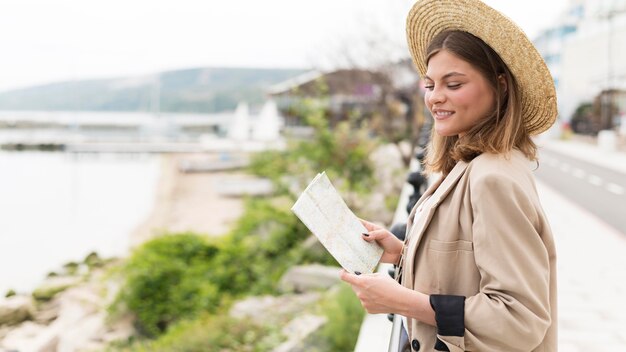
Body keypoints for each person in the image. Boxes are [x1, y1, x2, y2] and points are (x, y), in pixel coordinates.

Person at [340, 0, 558, 351]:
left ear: (501, 86)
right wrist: (401, 252)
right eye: (430, 85)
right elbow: (471, 263)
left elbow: (520, 318)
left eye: (453, 84)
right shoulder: (470, 163)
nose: (435, 98)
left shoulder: (492, 178)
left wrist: (402, 302)